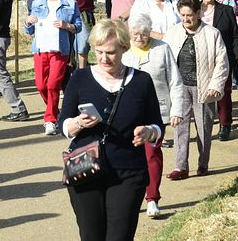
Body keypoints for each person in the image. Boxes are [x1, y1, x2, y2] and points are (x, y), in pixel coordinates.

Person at [57, 19, 163, 240]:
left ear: (124, 48)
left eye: (111, 52)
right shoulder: (79, 78)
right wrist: (78, 123)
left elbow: (157, 126)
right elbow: (63, 124)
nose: (104, 58)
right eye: (99, 51)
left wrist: (148, 132)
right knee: (91, 236)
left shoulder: (141, 81)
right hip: (85, 169)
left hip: (128, 172)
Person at [122, 17, 183, 218]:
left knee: (151, 155)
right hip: (128, 112)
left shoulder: (162, 49)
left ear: (151, 32)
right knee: (127, 157)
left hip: (157, 111)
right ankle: (129, 197)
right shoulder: (124, 51)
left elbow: (175, 81)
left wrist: (177, 110)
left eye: (144, 34)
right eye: (135, 34)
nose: (140, 38)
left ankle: (152, 198)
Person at [164, 0, 229, 179]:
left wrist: (215, 85)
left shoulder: (212, 34)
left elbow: (222, 62)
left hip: (204, 88)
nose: (186, 19)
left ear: (199, 13)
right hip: (180, 88)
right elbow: (166, 62)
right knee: (180, 128)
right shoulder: (172, 33)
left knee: (204, 129)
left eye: (189, 15)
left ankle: (203, 164)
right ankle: (180, 167)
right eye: (182, 15)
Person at [24, 0, 81, 135]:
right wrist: (28, 22)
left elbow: (78, 27)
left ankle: (50, 119)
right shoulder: (37, 4)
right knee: (41, 85)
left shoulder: (70, 4)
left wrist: (66, 26)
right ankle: (55, 111)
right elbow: (28, 30)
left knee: (53, 85)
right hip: (41, 49)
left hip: (59, 50)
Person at [196, 0, 238, 141]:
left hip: (223, 57)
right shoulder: (195, 12)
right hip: (200, 57)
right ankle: (204, 125)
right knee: (201, 92)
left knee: (223, 92)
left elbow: (235, 36)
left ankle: (225, 124)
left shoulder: (227, 10)